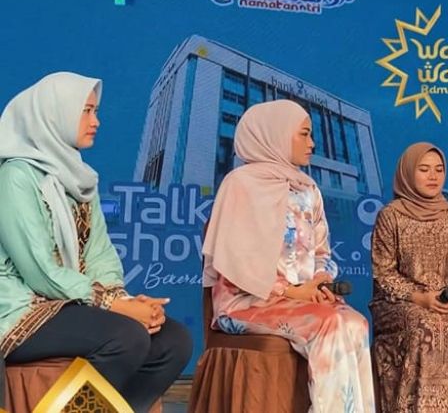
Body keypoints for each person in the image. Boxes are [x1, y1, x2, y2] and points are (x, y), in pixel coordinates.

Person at [0, 72, 192, 412]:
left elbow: (100, 254)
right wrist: (113, 305)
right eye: (86, 111)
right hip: (20, 308)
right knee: (126, 336)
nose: (96, 121)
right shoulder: (16, 176)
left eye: (96, 111)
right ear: (54, 115)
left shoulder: (79, 177)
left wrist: (124, 299)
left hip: (68, 302)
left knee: (173, 341)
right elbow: (38, 271)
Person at [201, 99, 375, 413]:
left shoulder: (308, 189)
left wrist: (321, 280)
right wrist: (292, 292)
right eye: (304, 134)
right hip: (247, 301)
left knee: (355, 322)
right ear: (276, 134)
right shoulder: (240, 185)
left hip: (302, 299)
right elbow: (235, 266)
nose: (312, 144)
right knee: (331, 324)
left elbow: (322, 251)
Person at [370, 142, 448, 413]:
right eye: (424, 170)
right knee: (422, 324)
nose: (433, 176)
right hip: (399, 303)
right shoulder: (390, 216)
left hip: (446, 301)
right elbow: (384, 273)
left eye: (439, 169)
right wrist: (420, 298)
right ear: (408, 173)